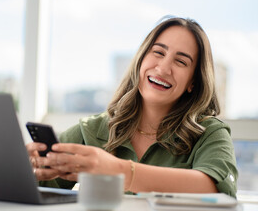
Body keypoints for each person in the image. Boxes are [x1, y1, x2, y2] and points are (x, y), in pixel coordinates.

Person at [26, 16, 238, 198]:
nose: (163, 68)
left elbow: (215, 189)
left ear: (193, 82)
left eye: (181, 62)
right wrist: (27, 168)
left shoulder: (210, 133)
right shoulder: (93, 130)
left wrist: (118, 170)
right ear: (141, 59)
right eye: (158, 52)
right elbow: (33, 190)